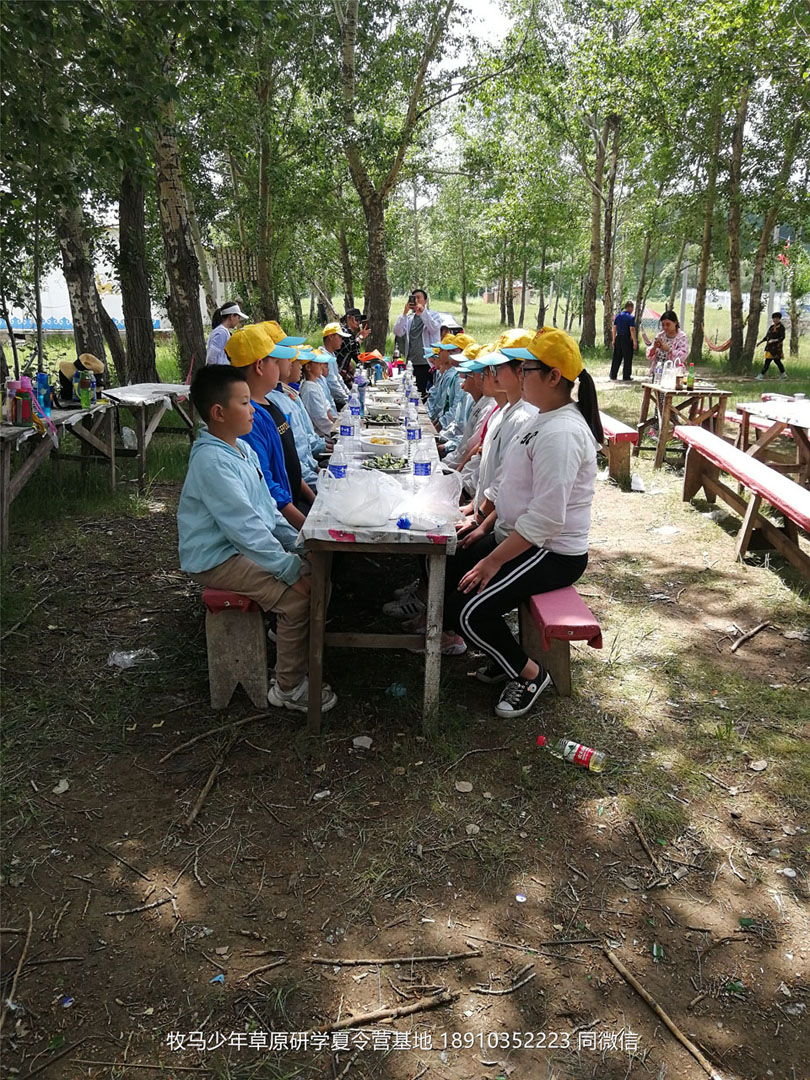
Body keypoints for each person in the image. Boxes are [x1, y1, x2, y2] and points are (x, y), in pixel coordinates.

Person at [444, 328, 602, 718]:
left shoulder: (562, 432)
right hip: (518, 538)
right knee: (448, 579)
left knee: (469, 611)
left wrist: (493, 561)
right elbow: (510, 484)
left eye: (527, 368)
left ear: (552, 377)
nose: (518, 373)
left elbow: (548, 519)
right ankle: (503, 655)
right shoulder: (543, 418)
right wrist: (484, 529)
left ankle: (530, 675)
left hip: (550, 551)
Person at [176, 364, 337, 713]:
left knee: (316, 569)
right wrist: (288, 568)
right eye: (245, 403)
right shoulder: (213, 463)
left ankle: (291, 643)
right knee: (297, 598)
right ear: (219, 413)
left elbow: (266, 509)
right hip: (217, 558)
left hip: (239, 547)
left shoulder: (242, 451)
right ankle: (288, 687)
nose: (253, 410)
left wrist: (300, 541)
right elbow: (245, 528)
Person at [224, 325, 307, 531]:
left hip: (292, 510)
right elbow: (268, 488)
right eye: (275, 362)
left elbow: (289, 462)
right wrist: (305, 528)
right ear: (260, 366)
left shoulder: (270, 404)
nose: (280, 367)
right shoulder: (249, 420)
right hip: (281, 524)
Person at [392, 289, 443, 395]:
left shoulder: (433, 315)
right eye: (413, 298)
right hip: (413, 362)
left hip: (429, 363)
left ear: (425, 300)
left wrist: (423, 313)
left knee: (433, 393)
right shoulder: (409, 318)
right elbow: (397, 331)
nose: (416, 300)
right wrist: (405, 313)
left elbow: (433, 328)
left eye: (418, 298)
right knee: (416, 393)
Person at [299, 353, 337, 437]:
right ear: (308, 367)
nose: (321, 366)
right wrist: (335, 432)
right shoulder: (309, 389)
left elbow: (327, 408)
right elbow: (320, 419)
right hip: (321, 435)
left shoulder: (316, 385)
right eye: (318, 364)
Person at [206, 301, 249, 365]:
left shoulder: (223, 331)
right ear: (232, 316)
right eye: (238, 317)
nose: (238, 319)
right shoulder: (221, 333)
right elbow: (211, 357)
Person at [336, 308, 370, 388]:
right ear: (348, 318)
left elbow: (357, 356)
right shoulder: (343, 331)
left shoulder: (352, 335)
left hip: (344, 373)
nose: (359, 322)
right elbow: (350, 346)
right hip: (338, 373)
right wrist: (361, 337)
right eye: (357, 319)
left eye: (360, 320)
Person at [319, 322, 351, 409]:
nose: (342, 340)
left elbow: (338, 378)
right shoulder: (324, 356)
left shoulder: (331, 354)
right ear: (330, 336)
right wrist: (347, 400)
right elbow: (332, 383)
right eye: (340, 337)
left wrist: (350, 396)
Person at [646, 310, 688, 376]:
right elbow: (649, 355)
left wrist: (669, 350)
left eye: (668, 324)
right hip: (658, 372)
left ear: (675, 322)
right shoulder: (660, 336)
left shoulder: (682, 337)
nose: (665, 327)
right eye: (663, 325)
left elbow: (683, 356)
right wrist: (654, 347)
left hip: (673, 373)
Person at [610, 300, 637, 381]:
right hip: (626, 338)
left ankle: (613, 375)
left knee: (616, 357)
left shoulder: (618, 316)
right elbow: (632, 329)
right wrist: (634, 341)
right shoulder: (630, 317)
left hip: (618, 337)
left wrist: (613, 339)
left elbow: (614, 328)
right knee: (627, 357)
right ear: (630, 307)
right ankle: (626, 376)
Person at [756, 311, 787, 381]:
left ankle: (761, 375)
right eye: (774, 318)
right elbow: (767, 336)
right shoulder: (772, 327)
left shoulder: (781, 327)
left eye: (776, 318)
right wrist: (760, 342)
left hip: (776, 348)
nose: (775, 320)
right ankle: (783, 374)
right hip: (769, 347)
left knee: (769, 361)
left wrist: (774, 340)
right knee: (776, 361)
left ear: (779, 319)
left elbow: (782, 337)